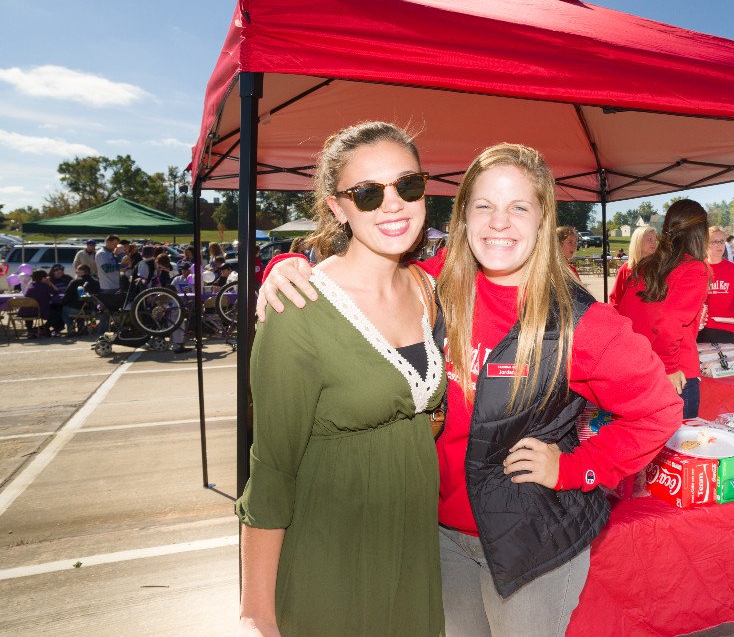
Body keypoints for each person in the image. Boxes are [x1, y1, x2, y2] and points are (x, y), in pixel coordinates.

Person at [258, 142, 681, 637]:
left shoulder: (582, 324)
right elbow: (357, 283)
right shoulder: (433, 285)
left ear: (543, 221)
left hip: (531, 543)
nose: (499, 222)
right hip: (437, 536)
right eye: (484, 206)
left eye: (518, 207)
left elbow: (660, 411)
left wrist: (577, 467)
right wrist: (289, 272)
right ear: (462, 217)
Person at [236, 122, 446, 636]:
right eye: (368, 193)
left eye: (408, 185)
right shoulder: (298, 309)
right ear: (338, 207)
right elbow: (271, 469)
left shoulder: (429, 287)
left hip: (413, 551)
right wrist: (258, 611)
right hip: (331, 560)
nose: (392, 205)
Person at [611, 199, 710, 419]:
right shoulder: (694, 269)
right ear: (701, 232)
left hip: (640, 370)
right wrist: (670, 368)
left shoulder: (646, 266)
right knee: (678, 450)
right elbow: (669, 324)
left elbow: (625, 317)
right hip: (675, 373)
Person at [698, 225, 734, 345]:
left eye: (722, 241)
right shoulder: (698, 268)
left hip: (726, 328)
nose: (719, 245)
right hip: (700, 330)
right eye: (714, 242)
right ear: (705, 244)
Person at [61, 264, 100, 336]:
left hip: (77, 308)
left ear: (83, 272)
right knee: (85, 313)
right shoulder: (97, 282)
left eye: (77, 272)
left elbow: (67, 296)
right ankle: (84, 328)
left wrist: (62, 303)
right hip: (93, 309)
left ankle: (71, 329)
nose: (76, 273)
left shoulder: (75, 282)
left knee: (63, 310)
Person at [22, 269, 60, 337]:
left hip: (25, 311)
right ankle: (44, 328)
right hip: (40, 310)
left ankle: (30, 331)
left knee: (29, 310)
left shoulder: (30, 285)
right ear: (43, 278)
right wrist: (50, 283)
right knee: (58, 313)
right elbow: (56, 292)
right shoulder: (44, 286)